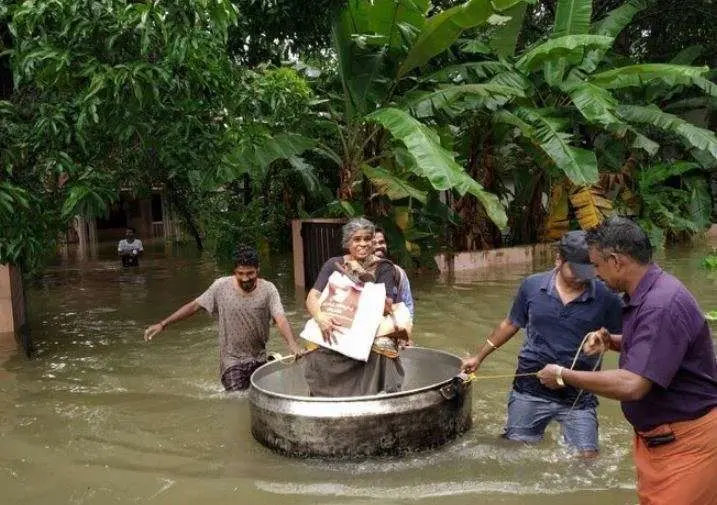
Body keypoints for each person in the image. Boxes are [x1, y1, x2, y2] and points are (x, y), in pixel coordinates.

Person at [537, 217, 717, 504]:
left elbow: (633, 385)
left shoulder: (661, 304)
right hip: (659, 442)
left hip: (686, 445)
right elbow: (660, 346)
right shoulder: (648, 293)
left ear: (616, 261)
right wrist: (611, 341)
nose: (595, 275)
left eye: (597, 265)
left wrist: (562, 374)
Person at [462, 231, 623, 457]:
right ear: (559, 260)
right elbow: (510, 323)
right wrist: (479, 357)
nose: (583, 276)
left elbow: (628, 340)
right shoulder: (532, 286)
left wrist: (605, 339)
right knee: (516, 453)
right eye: (576, 270)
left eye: (589, 270)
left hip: (578, 394)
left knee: (588, 460)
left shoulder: (606, 296)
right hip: (531, 387)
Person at [143, 244, 303, 391]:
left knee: (258, 398)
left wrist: (292, 344)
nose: (245, 278)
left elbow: (280, 318)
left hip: (258, 358)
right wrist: (163, 324)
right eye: (240, 273)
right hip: (231, 360)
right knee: (237, 400)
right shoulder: (220, 287)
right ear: (234, 271)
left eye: (250, 273)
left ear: (258, 270)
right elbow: (194, 306)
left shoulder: (268, 290)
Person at [303, 217, 403, 397]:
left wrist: (363, 276)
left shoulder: (384, 267)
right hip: (338, 321)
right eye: (357, 239)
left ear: (373, 241)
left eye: (367, 238)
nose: (363, 244)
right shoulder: (334, 264)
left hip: (369, 327)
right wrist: (320, 317)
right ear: (347, 243)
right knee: (314, 346)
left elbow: (387, 307)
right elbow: (313, 297)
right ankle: (322, 395)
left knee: (384, 346)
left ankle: (381, 394)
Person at [373, 228, 415, 320]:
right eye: (374, 243)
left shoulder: (398, 273)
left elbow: (408, 309)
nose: (378, 246)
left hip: (389, 328)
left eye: (381, 242)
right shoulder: (358, 273)